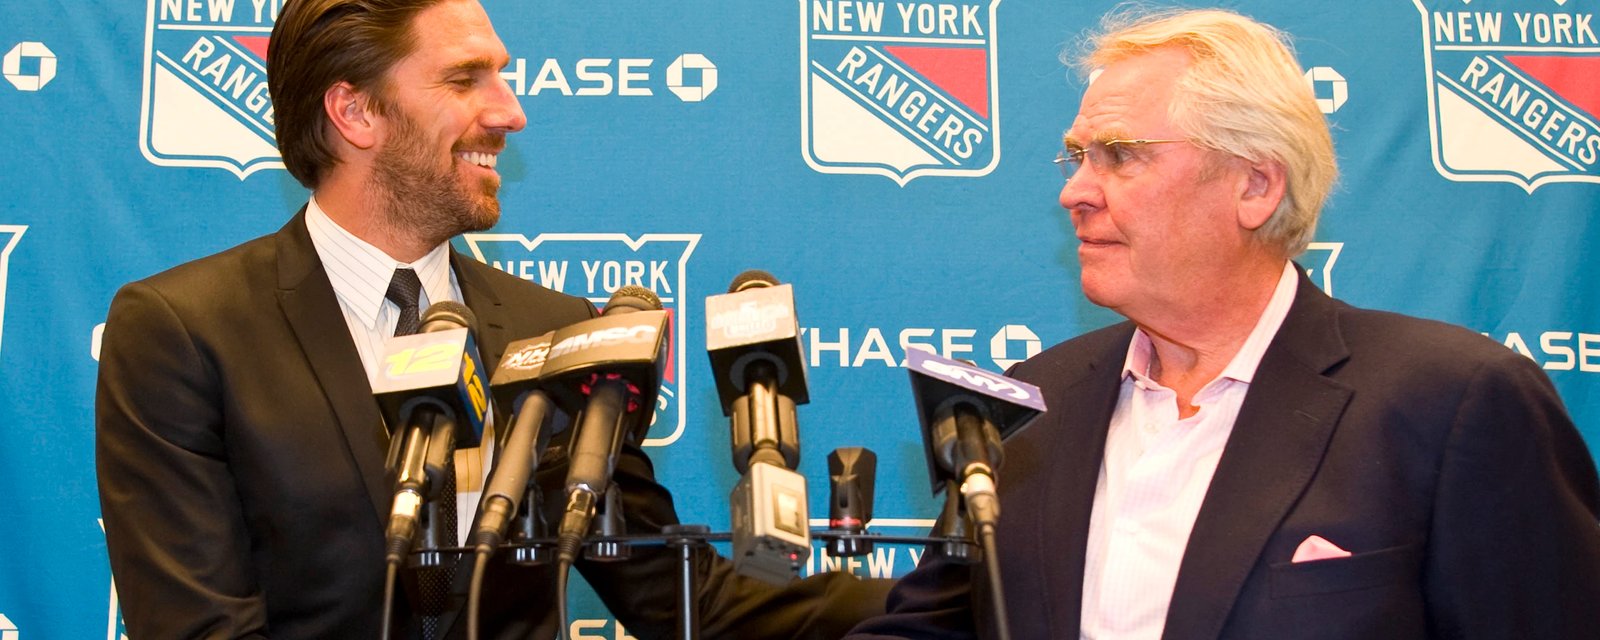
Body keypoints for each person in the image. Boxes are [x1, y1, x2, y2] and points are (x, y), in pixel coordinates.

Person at [96, 0, 889, 637]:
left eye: (502, 77)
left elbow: (685, 602)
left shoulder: (560, 333)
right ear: (355, 112)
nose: (510, 112)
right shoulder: (183, 330)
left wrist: (962, 593)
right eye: (465, 78)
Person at [846, 8, 1600, 640]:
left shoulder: (1453, 401)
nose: (1075, 190)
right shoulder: (1035, 401)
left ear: (1255, 185)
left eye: (1120, 156)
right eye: (1078, 155)